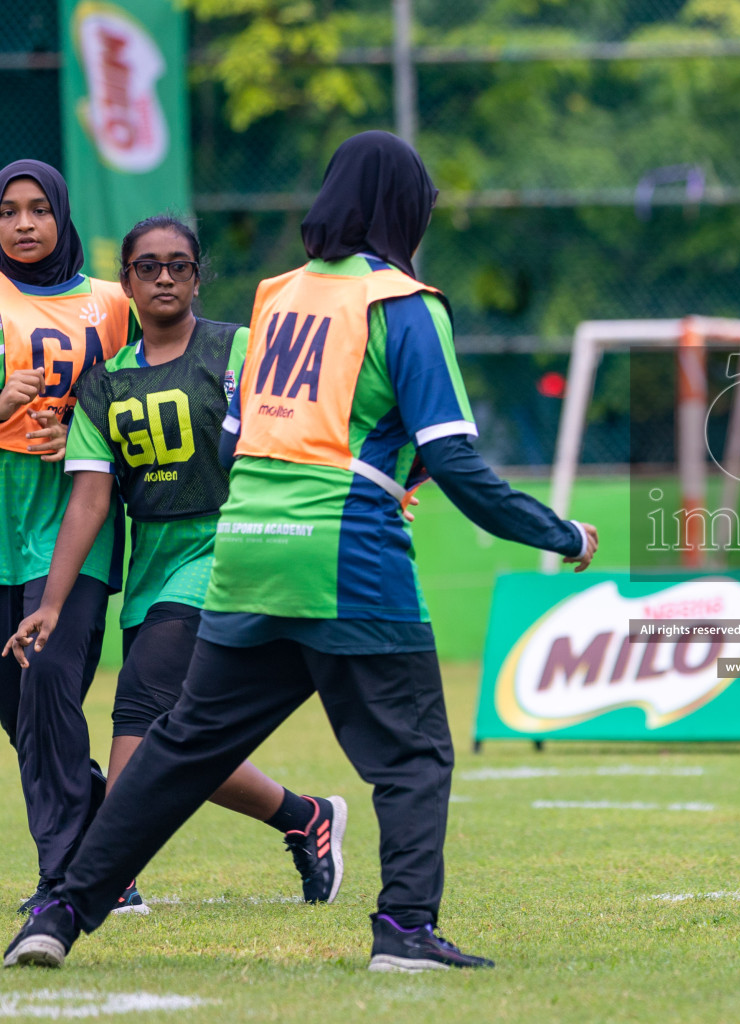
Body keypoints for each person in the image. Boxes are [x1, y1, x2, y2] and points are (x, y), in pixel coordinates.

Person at [4, 131, 599, 972]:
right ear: (402, 210)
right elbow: (455, 456)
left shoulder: (279, 296)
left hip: (247, 551)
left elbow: (251, 431)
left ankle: (61, 909)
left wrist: (389, 458)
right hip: (346, 556)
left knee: (182, 747)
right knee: (414, 751)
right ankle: (404, 928)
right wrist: (559, 532)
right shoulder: (404, 302)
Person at [4, 216, 348, 913]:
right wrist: (51, 603)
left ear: (198, 275)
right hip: (155, 565)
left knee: (138, 713)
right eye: (149, 267)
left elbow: (307, 427)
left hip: (226, 550)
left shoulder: (239, 350)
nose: (165, 277)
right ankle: (303, 816)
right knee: (181, 739)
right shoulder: (105, 384)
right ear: (125, 282)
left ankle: (90, 886)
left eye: (179, 266)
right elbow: (90, 502)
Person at [0, 160, 131, 914]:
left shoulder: (113, 306)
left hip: (74, 524)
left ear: (63, 215)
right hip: (3, 525)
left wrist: (87, 435)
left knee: (47, 683)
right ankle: (116, 849)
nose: (24, 224)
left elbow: (155, 394)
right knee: (28, 718)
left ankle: (67, 881)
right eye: (9, 211)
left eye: (38, 209)